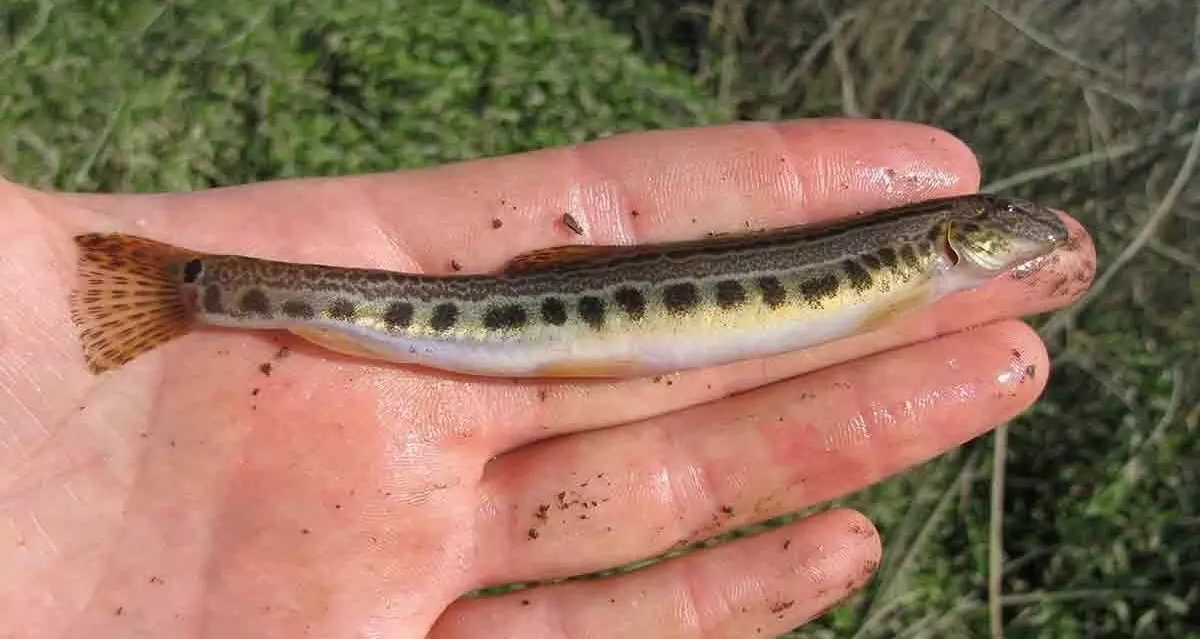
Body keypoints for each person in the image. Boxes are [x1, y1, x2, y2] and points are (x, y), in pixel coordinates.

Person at [0, 118, 1094, 638]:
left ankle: (201, 287)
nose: (1029, 239)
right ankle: (197, 289)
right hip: (553, 310)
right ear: (955, 239)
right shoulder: (919, 257)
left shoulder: (923, 266)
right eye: (1012, 233)